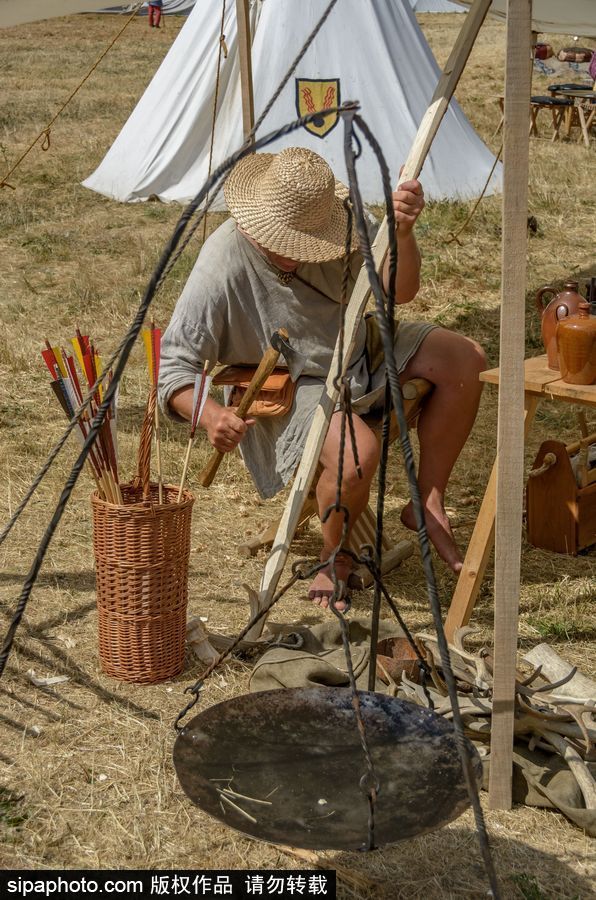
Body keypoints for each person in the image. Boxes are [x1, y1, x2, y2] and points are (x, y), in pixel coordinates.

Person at [159, 147, 486, 610]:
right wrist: (211, 414)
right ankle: (335, 557)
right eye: (285, 244)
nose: (296, 255)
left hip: (356, 345)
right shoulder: (222, 263)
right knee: (357, 453)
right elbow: (174, 368)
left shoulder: (342, 218)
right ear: (257, 222)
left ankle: (427, 501)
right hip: (294, 382)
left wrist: (403, 234)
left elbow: (402, 290)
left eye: (306, 243)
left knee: (466, 359)